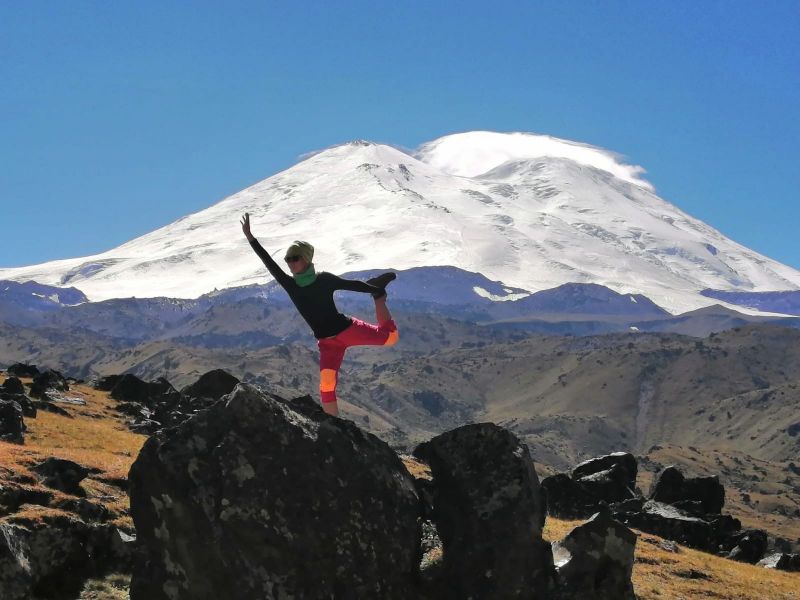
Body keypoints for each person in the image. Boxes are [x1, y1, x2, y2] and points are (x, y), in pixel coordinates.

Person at [240, 212, 398, 416]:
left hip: (347, 330)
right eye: (288, 259)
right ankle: (336, 428)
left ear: (305, 259)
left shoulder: (324, 279)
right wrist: (250, 238)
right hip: (327, 344)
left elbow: (351, 285)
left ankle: (379, 300)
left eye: (294, 258)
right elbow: (269, 262)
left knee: (391, 338)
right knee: (326, 385)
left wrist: (374, 289)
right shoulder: (290, 285)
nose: (290, 263)